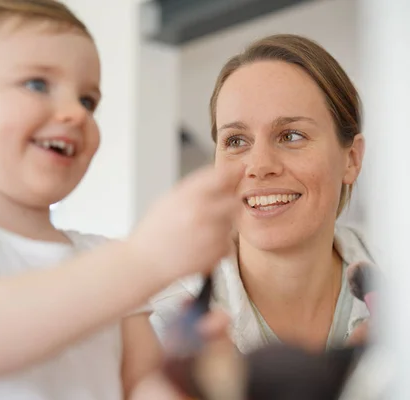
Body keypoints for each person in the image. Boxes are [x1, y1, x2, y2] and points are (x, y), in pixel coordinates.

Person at [0, 1, 237, 399]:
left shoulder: (103, 258)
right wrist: (142, 261)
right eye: (37, 84)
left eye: (87, 100)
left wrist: (188, 374)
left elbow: (140, 385)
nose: (75, 114)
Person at [152, 34, 376, 354]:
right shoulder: (163, 330)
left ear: (351, 159)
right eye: (236, 141)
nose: (259, 166)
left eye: (291, 135)